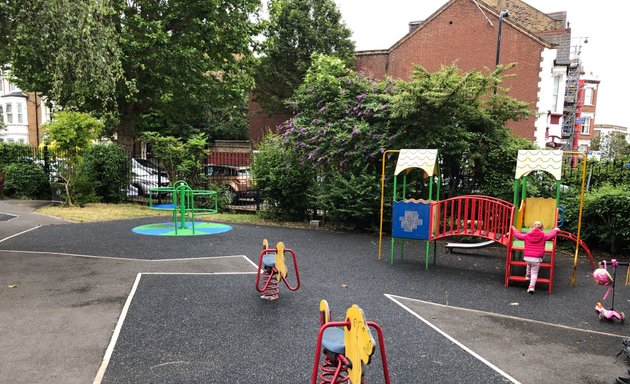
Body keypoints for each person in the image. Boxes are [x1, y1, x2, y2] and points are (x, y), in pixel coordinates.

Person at [512, 221, 559, 294]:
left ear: (532, 227)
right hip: (537, 258)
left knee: (529, 264)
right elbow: (551, 235)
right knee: (534, 273)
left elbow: (518, 236)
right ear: (542, 228)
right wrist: (555, 230)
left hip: (527, 257)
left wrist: (514, 230)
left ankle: (527, 274)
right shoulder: (543, 235)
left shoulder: (527, 235)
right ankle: (531, 287)